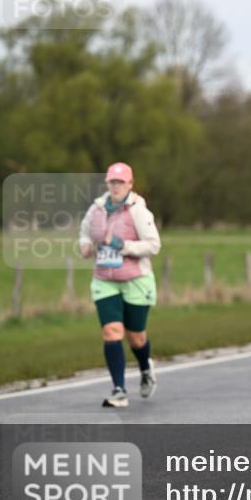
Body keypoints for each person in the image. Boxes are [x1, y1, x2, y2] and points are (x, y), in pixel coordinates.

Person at [79, 162, 161, 408]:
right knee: (112, 332)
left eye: (120, 182)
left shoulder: (138, 211)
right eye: (112, 182)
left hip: (136, 279)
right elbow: (84, 233)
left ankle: (146, 368)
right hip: (105, 280)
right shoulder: (97, 209)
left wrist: (121, 244)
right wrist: (84, 246)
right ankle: (119, 389)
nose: (115, 186)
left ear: (130, 184)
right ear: (107, 184)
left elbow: (153, 245)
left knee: (136, 337)